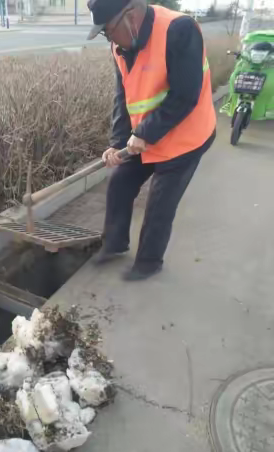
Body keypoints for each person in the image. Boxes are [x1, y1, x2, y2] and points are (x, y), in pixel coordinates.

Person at [87, 0, 216, 281]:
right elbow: (124, 96)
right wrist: (118, 141)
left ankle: (149, 262)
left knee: (160, 201)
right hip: (147, 134)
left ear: (130, 16)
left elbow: (185, 94)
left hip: (187, 136)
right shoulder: (120, 46)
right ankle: (114, 244)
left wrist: (144, 133)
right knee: (120, 181)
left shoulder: (179, 30)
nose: (109, 40)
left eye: (109, 31)